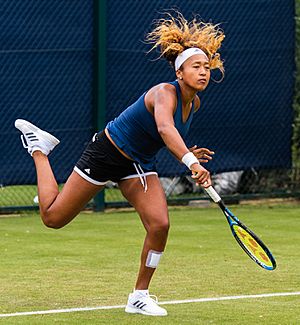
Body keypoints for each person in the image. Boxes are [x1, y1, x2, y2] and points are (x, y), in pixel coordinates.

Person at [15, 11, 225, 317]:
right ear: (179, 72)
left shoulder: (194, 103)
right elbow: (166, 129)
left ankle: (139, 296)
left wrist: (188, 152)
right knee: (52, 218)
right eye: (196, 67)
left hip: (138, 163)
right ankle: (40, 150)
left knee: (160, 224)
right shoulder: (164, 93)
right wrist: (190, 161)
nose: (204, 72)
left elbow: (163, 136)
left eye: (207, 67)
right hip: (106, 154)